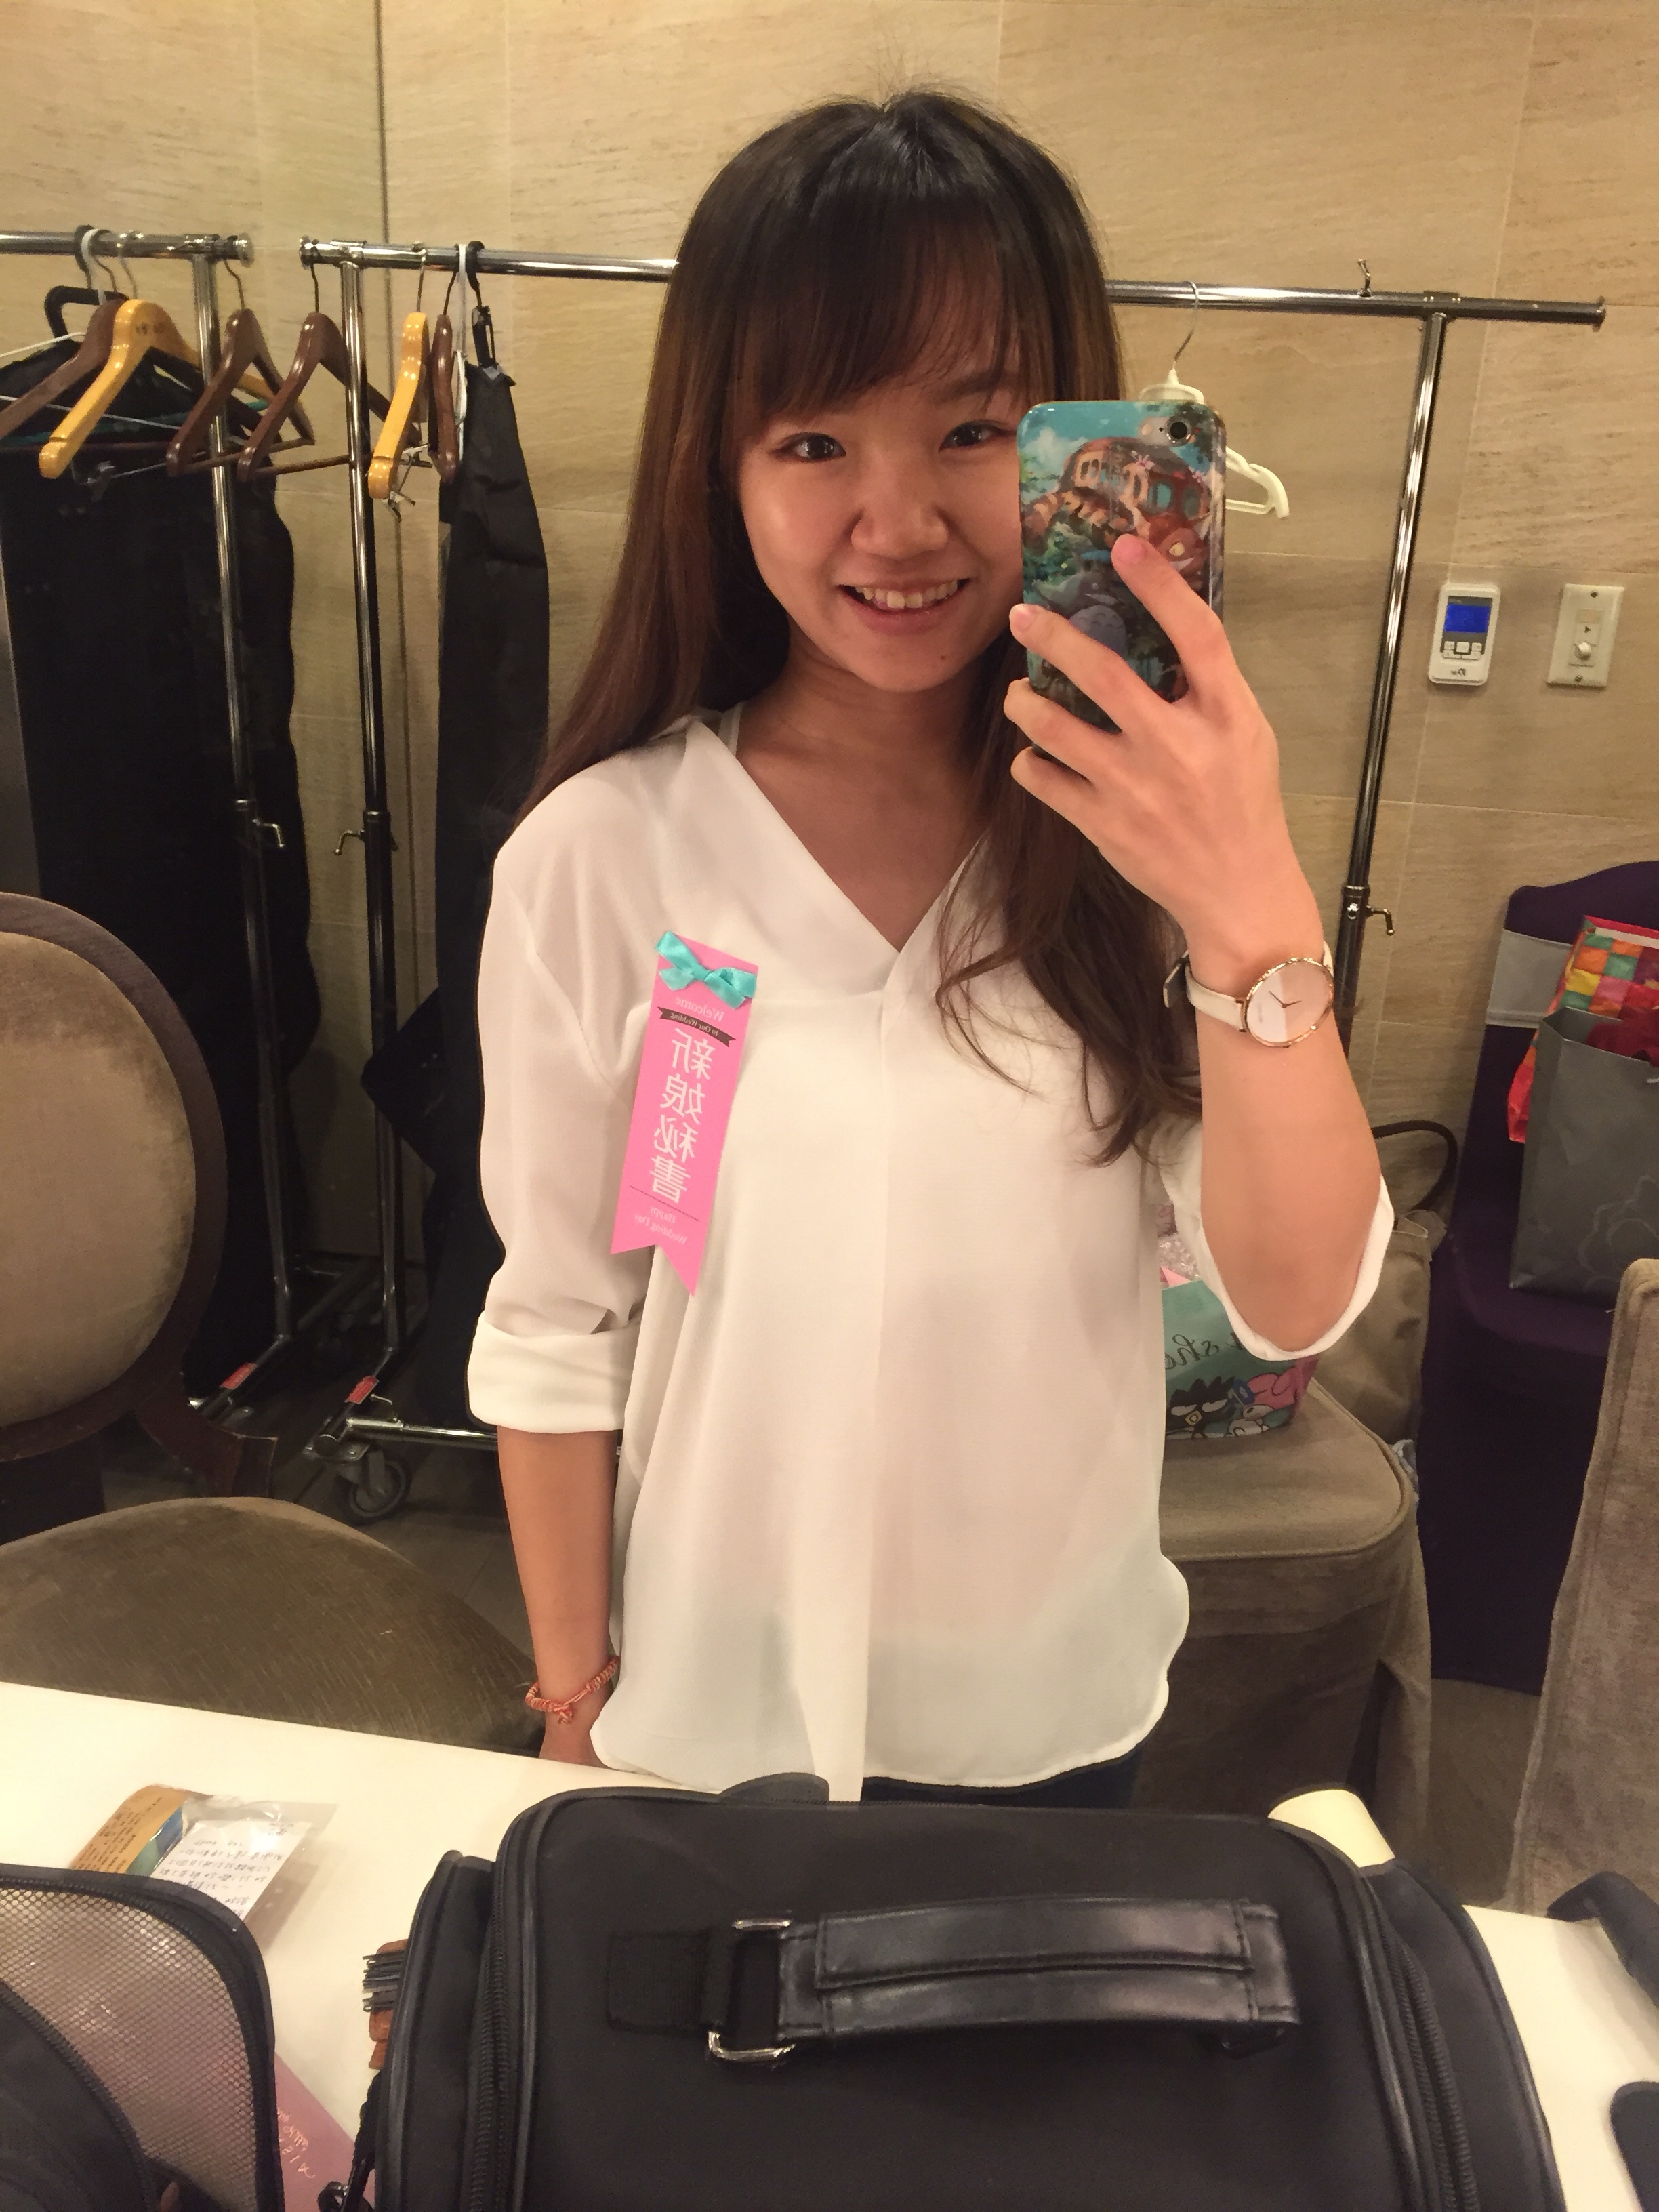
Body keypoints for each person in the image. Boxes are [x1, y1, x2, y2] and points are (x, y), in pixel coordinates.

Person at [468, 89, 1389, 1805]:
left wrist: (1249, 898)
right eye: (814, 443)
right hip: (707, 1704)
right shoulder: (607, 856)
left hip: (1040, 1715)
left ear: (1072, 449)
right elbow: (562, 1321)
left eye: (970, 430)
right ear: (720, 468)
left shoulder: (1140, 849)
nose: (897, 523)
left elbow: (1295, 1299)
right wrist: (574, 1698)